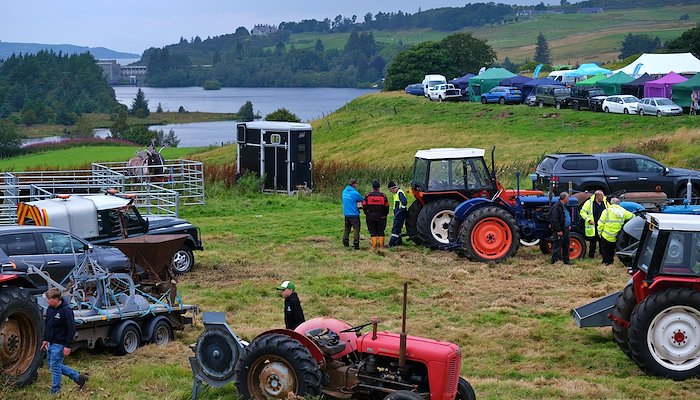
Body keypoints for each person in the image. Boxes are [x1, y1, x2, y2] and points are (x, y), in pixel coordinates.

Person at [42, 288, 88, 395]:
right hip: (50, 342)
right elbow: (47, 325)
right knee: (53, 365)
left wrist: (67, 346)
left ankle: (55, 392)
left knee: (55, 368)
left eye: (49, 299)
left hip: (60, 344)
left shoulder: (66, 311)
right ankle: (78, 378)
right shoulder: (50, 309)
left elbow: (71, 329)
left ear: (56, 299)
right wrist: (45, 339)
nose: (47, 301)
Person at [597, 197, 634, 265]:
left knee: (606, 249)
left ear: (611, 203)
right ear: (619, 203)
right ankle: (611, 261)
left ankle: (606, 262)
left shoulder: (606, 211)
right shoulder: (623, 211)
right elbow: (633, 217)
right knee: (612, 250)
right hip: (617, 236)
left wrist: (599, 233)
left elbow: (600, 223)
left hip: (606, 235)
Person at [579, 190, 609, 258]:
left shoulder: (605, 202)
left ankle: (602, 254)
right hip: (593, 225)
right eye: (602, 196)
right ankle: (591, 255)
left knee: (602, 240)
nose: (603, 197)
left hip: (602, 225)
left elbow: (610, 210)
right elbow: (582, 212)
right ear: (597, 196)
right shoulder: (589, 203)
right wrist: (588, 220)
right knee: (593, 242)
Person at [363, 180, 390, 250]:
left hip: (370, 216)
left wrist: (367, 213)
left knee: (372, 231)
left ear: (372, 187)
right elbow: (387, 206)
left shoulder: (367, 195)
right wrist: (385, 214)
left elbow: (364, 206)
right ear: (379, 187)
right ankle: (381, 246)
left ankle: (374, 246)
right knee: (381, 231)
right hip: (381, 216)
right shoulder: (383, 195)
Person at [549, 192, 571, 265]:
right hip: (560, 229)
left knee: (566, 245)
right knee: (557, 246)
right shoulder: (556, 207)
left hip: (566, 228)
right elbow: (555, 220)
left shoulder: (565, 206)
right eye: (567, 197)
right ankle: (554, 261)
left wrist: (569, 225)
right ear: (564, 198)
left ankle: (566, 261)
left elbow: (566, 216)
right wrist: (558, 230)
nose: (568, 199)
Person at [342, 178, 364, 250]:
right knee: (356, 229)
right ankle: (356, 243)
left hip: (346, 213)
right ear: (354, 184)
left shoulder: (344, 192)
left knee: (347, 229)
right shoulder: (355, 193)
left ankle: (345, 242)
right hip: (354, 214)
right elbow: (362, 199)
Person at [387, 181, 408, 247]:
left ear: (392, 188)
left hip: (400, 214)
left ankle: (391, 244)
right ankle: (399, 242)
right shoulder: (397, 193)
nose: (391, 192)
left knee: (395, 228)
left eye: (390, 190)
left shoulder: (399, 192)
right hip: (399, 214)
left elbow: (404, 202)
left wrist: (400, 211)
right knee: (398, 228)